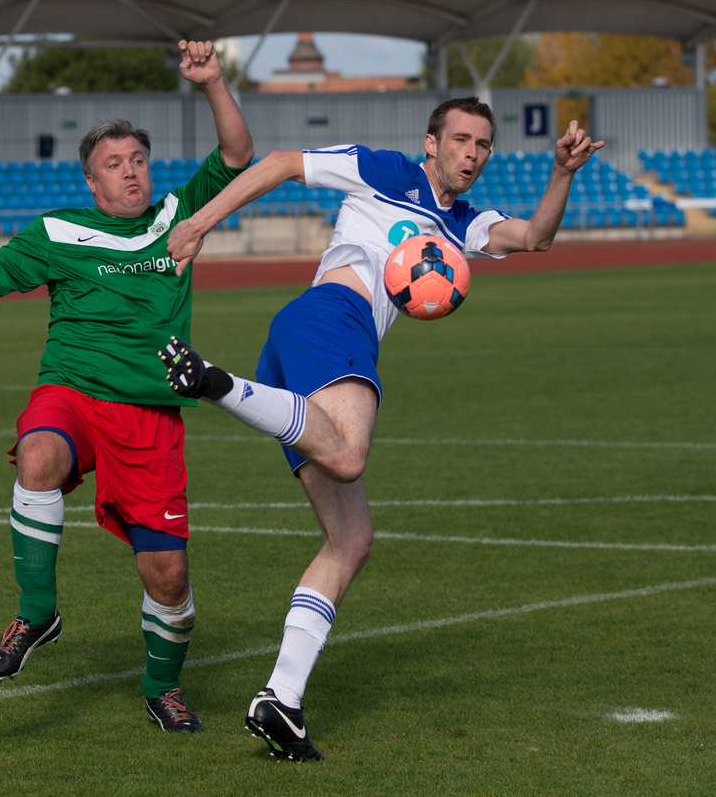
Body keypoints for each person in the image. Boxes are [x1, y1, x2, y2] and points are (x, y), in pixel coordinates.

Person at [160, 97, 604, 759]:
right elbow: (282, 161)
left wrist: (563, 171)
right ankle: (217, 383)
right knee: (348, 455)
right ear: (431, 143)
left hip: (320, 342)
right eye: (460, 139)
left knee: (352, 538)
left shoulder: (465, 223)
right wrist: (198, 222)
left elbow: (534, 236)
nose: (472, 154)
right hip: (329, 318)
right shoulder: (383, 171)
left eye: (483, 144)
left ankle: (281, 698)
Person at [0, 40, 253, 733]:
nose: (129, 173)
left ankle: (161, 687)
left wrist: (210, 81)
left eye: (137, 161)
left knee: (168, 580)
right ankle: (35, 612)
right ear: (91, 181)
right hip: (74, 392)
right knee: (37, 456)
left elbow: (236, 154)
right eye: (113, 165)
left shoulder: (178, 217)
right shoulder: (58, 231)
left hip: (150, 416)